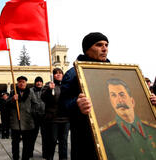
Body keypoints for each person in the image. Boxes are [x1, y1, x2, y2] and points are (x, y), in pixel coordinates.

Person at [61, 32, 156, 160]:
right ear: (87, 49)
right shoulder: (73, 74)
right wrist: (77, 105)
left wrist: (149, 100)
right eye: (99, 45)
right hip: (86, 136)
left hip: (116, 138)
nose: (104, 48)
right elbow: (63, 104)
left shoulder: (114, 71)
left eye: (106, 45)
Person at [101, 78, 156, 159]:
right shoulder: (105, 137)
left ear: (132, 101)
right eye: (113, 95)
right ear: (111, 102)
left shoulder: (152, 129)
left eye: (122, 94)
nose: (119, 100)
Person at [7, 76, 39, 160]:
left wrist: (31, 112)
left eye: (23, 82)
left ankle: (26, 158)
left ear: (26, 83)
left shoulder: (30, 92)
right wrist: (12, 99)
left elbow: (36, 104)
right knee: (15, 144)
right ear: (17, 83)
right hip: (16, 122)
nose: (21, 83)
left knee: (27, 144)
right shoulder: (13, 92)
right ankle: (15, 158)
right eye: (20, 82)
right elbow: (6, 104)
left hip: (27, 122)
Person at [41, 68, 70, 160]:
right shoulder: (48, 85)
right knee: (52, 141)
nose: (58, 75)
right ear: (53, 76)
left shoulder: (66, 86)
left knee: (64, 142)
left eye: (60, 73)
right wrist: (50, 90)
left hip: (65, 118)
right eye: (56, 73)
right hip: (53, 118)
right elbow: (43, 97)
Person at [29, 76, 47, 158]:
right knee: (32, 136)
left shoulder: (45, 90)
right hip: (34, 116)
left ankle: (45, 153)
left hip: (44, 116)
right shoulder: (31, 91)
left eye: (40, 81)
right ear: (35, 82)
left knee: (45, 136)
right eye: (37, 81)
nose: (39, 83)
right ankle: (29, 152)